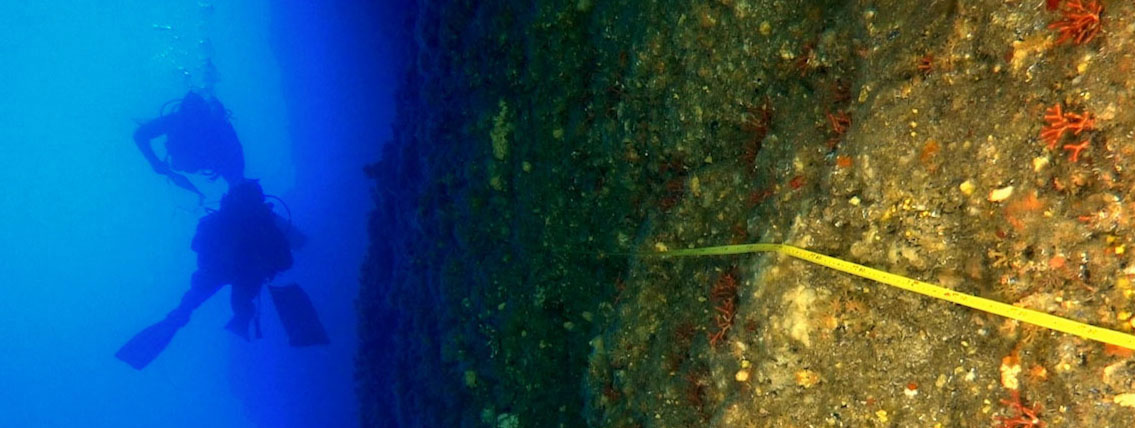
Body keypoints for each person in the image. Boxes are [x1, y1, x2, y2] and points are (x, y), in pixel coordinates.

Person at [116, 180, 294, 369]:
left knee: (188, 307)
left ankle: (172, 326)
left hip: (219, 272)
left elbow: (197, 246)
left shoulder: (222, 221)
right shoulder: (262, 224)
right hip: (242, 273)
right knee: (239, 307)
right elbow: (285, 261)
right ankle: (243, 326)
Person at [134, 91, 245, 201]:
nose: (195, 122)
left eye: (198, 117)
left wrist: (235, 186)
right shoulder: (175, 120)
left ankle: (208, 86)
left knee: (236, 182)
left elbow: (236, 156)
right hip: (193, 159)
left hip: (211, 160)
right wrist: (155, 162)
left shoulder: (219, 126)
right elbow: (140, 135)